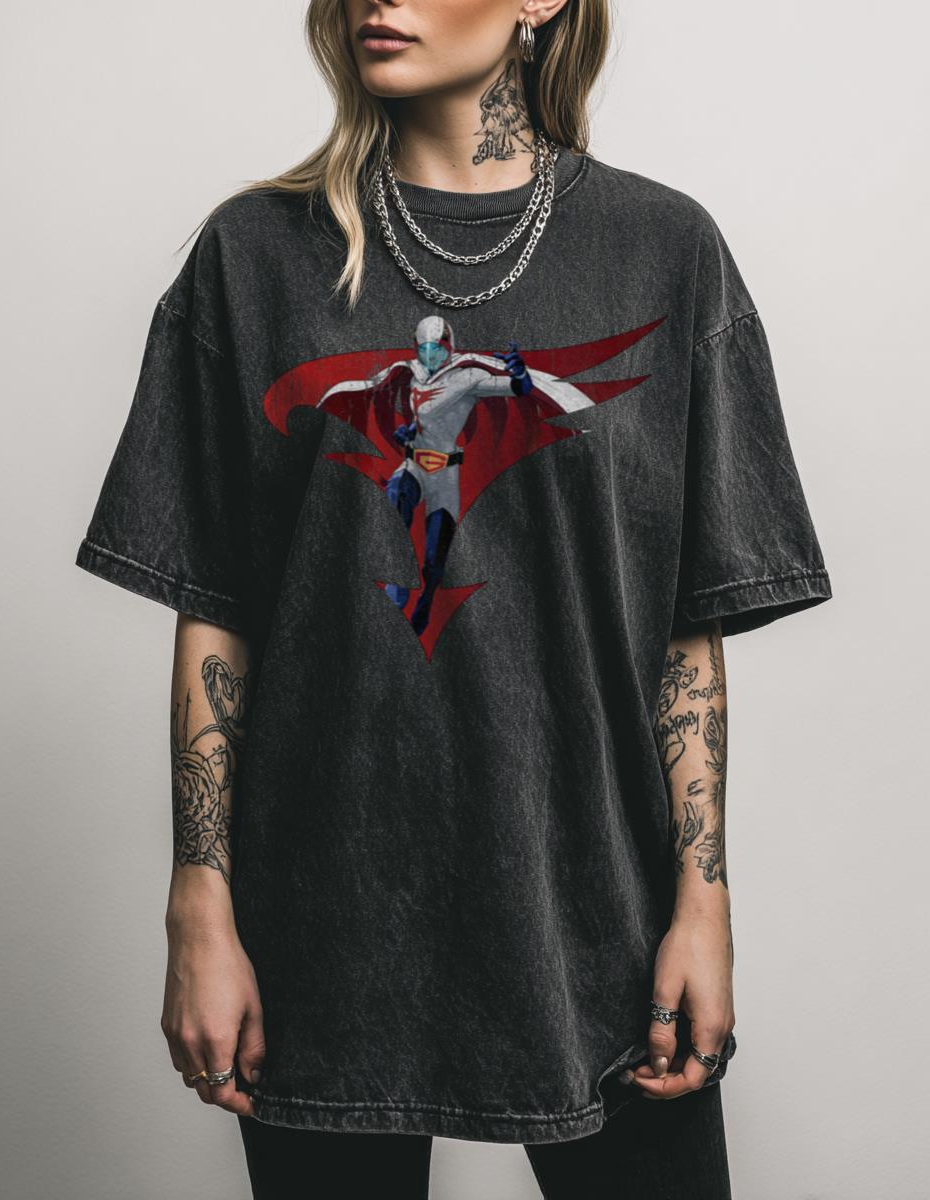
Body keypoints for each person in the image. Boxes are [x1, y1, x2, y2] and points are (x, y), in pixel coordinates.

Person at [74, 1, 833, 1196]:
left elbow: (684, 631)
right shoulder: (256, 256)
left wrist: (704, 900)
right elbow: (215, 608)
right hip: (323, 921)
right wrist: (199, 904)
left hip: (598, 913)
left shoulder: (664, 251)